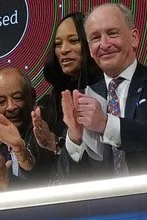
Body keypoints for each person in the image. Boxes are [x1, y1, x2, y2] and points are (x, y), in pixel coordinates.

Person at [63, 2, 147, 174]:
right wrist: (75, 138)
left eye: (112, 33)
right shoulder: (85, 96)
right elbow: (73, 177)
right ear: (90, 49)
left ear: (134, 38)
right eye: (95, 38)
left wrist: (106, 124)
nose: (104, 44)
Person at [0, 66, 59, 188]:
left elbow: (42, 182)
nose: (11, 107)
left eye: (17, 97)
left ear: (32, 97)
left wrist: (7, 181)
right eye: (1, 101)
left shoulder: (47, 136)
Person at [35, 11, 102, 152]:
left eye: (73, 41)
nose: (64, 50)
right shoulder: (47, 105)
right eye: (58, 44)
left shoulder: (107, 91)